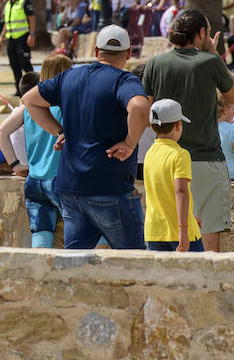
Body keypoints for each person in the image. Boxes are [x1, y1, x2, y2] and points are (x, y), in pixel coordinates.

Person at [22, 24, 150, 250]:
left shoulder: (69, 76)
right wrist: (130, 143)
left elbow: (29, 100)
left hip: (70, 189)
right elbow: (140, 107)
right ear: (128, 54)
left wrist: (59, 131)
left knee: (74, 263)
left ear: (95, 50)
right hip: (111, 186)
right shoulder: (124, 81)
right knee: (134, 261)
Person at [141, 9, 234, 251]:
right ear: (202, 33)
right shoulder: (210, 62)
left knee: (168, 228)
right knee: (207, 232)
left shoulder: (155, 63)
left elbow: (147, 109)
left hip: (163, 157)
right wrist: (214, 53)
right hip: (205, 158)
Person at [0, 55, 73, 248]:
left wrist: (15, 165)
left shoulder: (28, 107)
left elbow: (2, 132)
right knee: (86, 231)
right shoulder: (68, 105)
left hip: (35, 180)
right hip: (60, 179)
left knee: (41, 235)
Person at [143, 98, 203, 252]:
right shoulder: (180, 154)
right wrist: (183, 227)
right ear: (178, 125)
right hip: (180, 232)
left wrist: (189, 214)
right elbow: (180, 191)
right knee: (199, 275)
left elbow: (159, 190)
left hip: (155, 231)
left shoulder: (149, 153)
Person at [1, 0, 35, 94]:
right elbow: (7, 23)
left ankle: (35, 88)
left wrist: (32, 34)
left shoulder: (24, 0)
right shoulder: (8, 4)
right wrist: (1, 37)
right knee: (14, 65)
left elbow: (31, 18)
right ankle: (19, 90)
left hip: (22, 38)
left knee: (25, 64)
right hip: (11, 39)